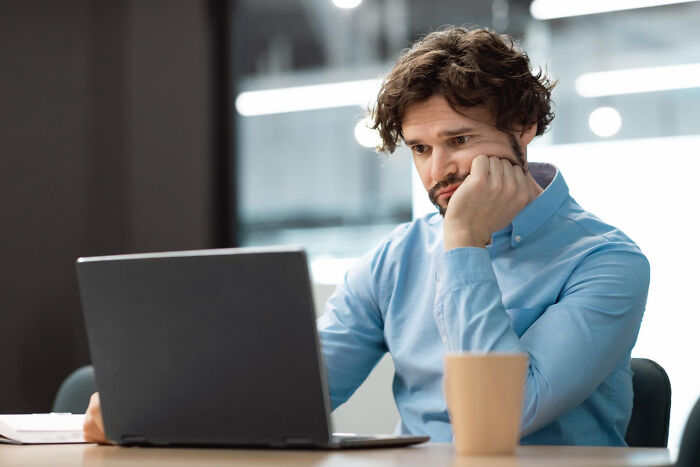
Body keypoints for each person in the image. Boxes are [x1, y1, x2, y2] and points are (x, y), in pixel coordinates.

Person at [84, 26, 649, 446]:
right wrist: (159, 414)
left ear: (524, 129)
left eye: (460, 139)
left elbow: (497, 424)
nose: (438, 170)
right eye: (421, 149)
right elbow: (297, 392)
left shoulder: (605, 262)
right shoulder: (397, 257)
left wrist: (464, 245)